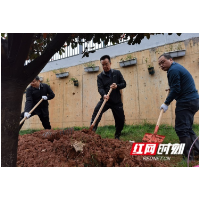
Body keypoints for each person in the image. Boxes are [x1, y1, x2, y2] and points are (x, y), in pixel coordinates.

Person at [158, 53, 199, 161]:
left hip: (186, 102)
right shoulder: (176, 68)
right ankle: (196, 151)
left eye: (163, 62)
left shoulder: (173, 70)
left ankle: (188, 158)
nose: (161, 65)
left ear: (170, 59)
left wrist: (166, 103)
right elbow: (177, 86)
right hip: (193, 101)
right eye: (159, 64)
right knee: (187, 129)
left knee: (181, 129)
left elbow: (176, 89)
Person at [90, 55, 126, 140]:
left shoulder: (117, 73)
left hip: (116, 101)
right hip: (106, 100)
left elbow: (124, 84)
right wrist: (104, 95)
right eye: (103, 65)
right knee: (97, 111)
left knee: (120, 119)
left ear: (110, 63)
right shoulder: (100, 76)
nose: (105, 66)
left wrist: (117, 86)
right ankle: (92, 130)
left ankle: (117, 135)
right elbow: (100, 88)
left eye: (106, 64)